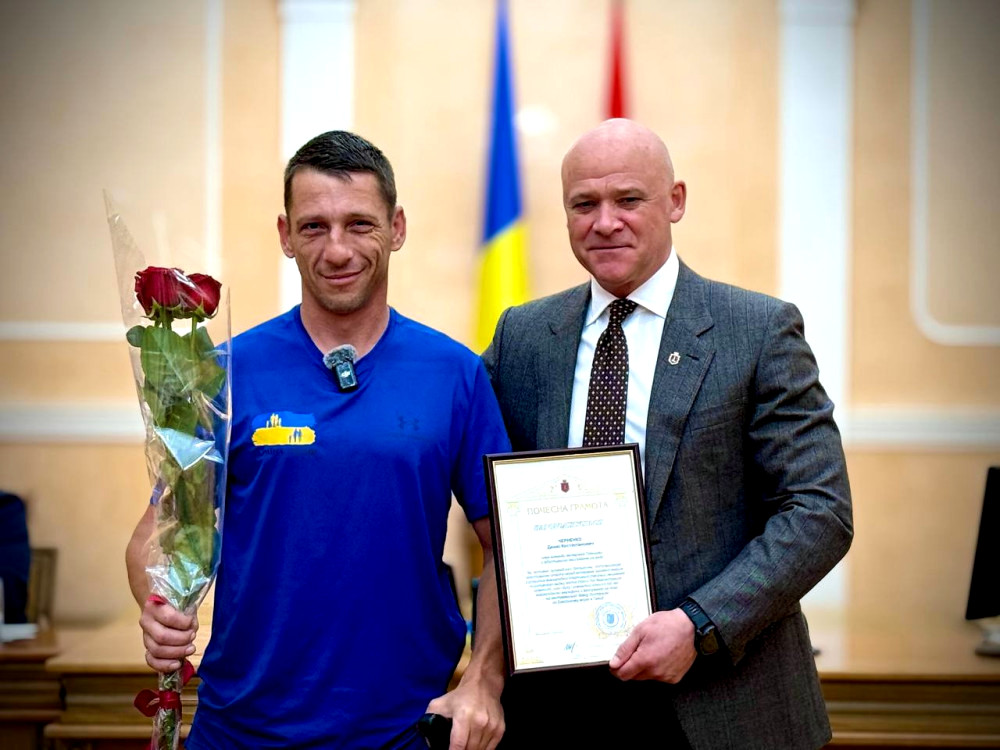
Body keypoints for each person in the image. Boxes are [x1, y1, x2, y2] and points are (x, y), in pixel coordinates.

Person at [127, 131, 509, 750]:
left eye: (360, 224)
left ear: (397, 228)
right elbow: (154, 537)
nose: (337, 250)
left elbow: (507, 550)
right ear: (285, 235)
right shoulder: (223, 374)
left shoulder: (455, 374)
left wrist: (484, 680)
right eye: (314, 227)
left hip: (402, 730)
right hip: (238, 730)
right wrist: (158, 607)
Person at [483, 119, 853, 749]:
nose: (605, 222)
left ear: (675, 200)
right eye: (583, 204)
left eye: (628, 199)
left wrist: (699, 624)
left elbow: (819, 511)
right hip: (559, 710)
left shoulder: (758, 331)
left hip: (722, 706)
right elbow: (472, 475)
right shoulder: (523, 337)